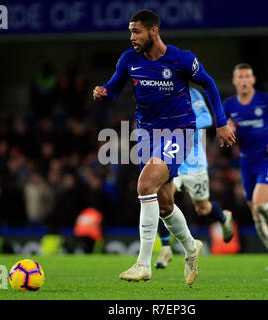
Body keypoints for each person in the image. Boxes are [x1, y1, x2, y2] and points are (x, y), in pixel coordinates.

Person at [93, 10, 235, 284]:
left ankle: (143, 264)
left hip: (179, 132)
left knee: (145, 185)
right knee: (165, 203)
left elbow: (209, 84)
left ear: (153, 31)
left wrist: (220, 123)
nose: (132, 37)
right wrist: (103, 92)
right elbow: (113, 88)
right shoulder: (128, 60)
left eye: (137, 32)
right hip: (147, 135)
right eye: (130, 32)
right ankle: (191, 247)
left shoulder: (181, 59)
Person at [222, 63, 268, 270]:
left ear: (253, 80)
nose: (244, 80)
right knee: (256, 215)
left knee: (261, 204)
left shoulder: (266, 100)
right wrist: (229, 133)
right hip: (247, 164)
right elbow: (224, 130)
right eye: (240, 77)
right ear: (235, 81)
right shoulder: (228, 105)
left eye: (247, 76)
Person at [154, 87, 235, 269]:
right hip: (172, 158)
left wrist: (181, 124)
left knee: (203, 208)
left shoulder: (192, 94)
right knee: (162, 201)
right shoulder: (161, 92)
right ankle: (165, 248)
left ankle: (223, 217)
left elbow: (207, 118)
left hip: (194, 163)